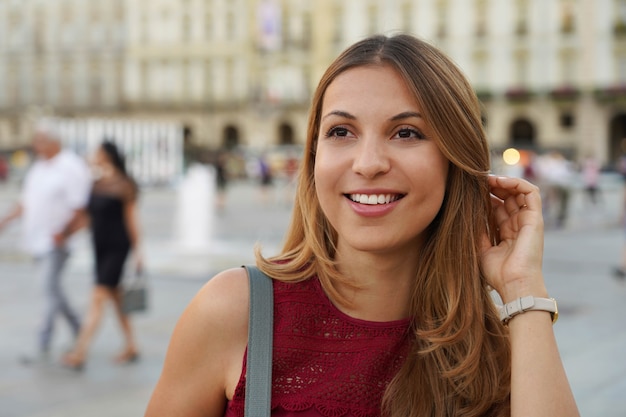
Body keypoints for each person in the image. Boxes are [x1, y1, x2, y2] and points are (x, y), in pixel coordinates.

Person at [145, 34, 579, 417]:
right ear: (314, 156)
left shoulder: (498, 352)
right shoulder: (235, 312)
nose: (368, 164)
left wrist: (524, 290)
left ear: (454, 160)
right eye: (341, 132)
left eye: (406, 133)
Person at [0, 128, 91, 363]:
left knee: (48, 289)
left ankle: (44, 340)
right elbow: (27, 202)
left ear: (54, 142)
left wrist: (64, 233)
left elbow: (80, 206)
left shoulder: (71, 167)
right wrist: (6, 221)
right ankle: (79, 326)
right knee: (53, 290)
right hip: (36, 239)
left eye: (40, 141)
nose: (36, 145)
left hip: (56, 240)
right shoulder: (39, 167)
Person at [61, 141, 142, 370]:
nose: (93, 155)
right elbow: (87, 218)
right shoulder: (95, 183)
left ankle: (80, 351)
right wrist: (65, 234)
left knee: (98, 296)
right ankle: (131, 345)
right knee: (115, 297)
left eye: (97, 152)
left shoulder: (125, 185)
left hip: (118, 245)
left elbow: (131, 219)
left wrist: (139, 251)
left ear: (107, 155)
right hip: (100, 245)